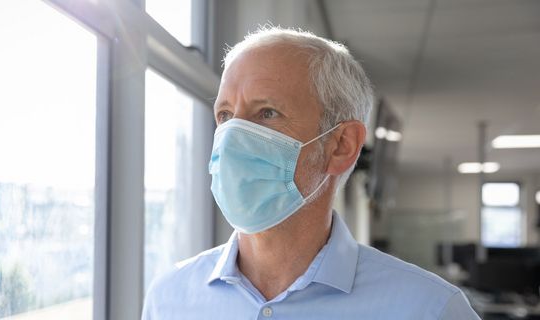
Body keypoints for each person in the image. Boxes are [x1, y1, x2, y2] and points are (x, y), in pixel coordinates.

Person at [142, 27, 480, 320]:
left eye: (267, 113)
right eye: (226, 115)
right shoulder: (169, 299)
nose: (233, 137)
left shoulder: (428, 310)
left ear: (342, 145)